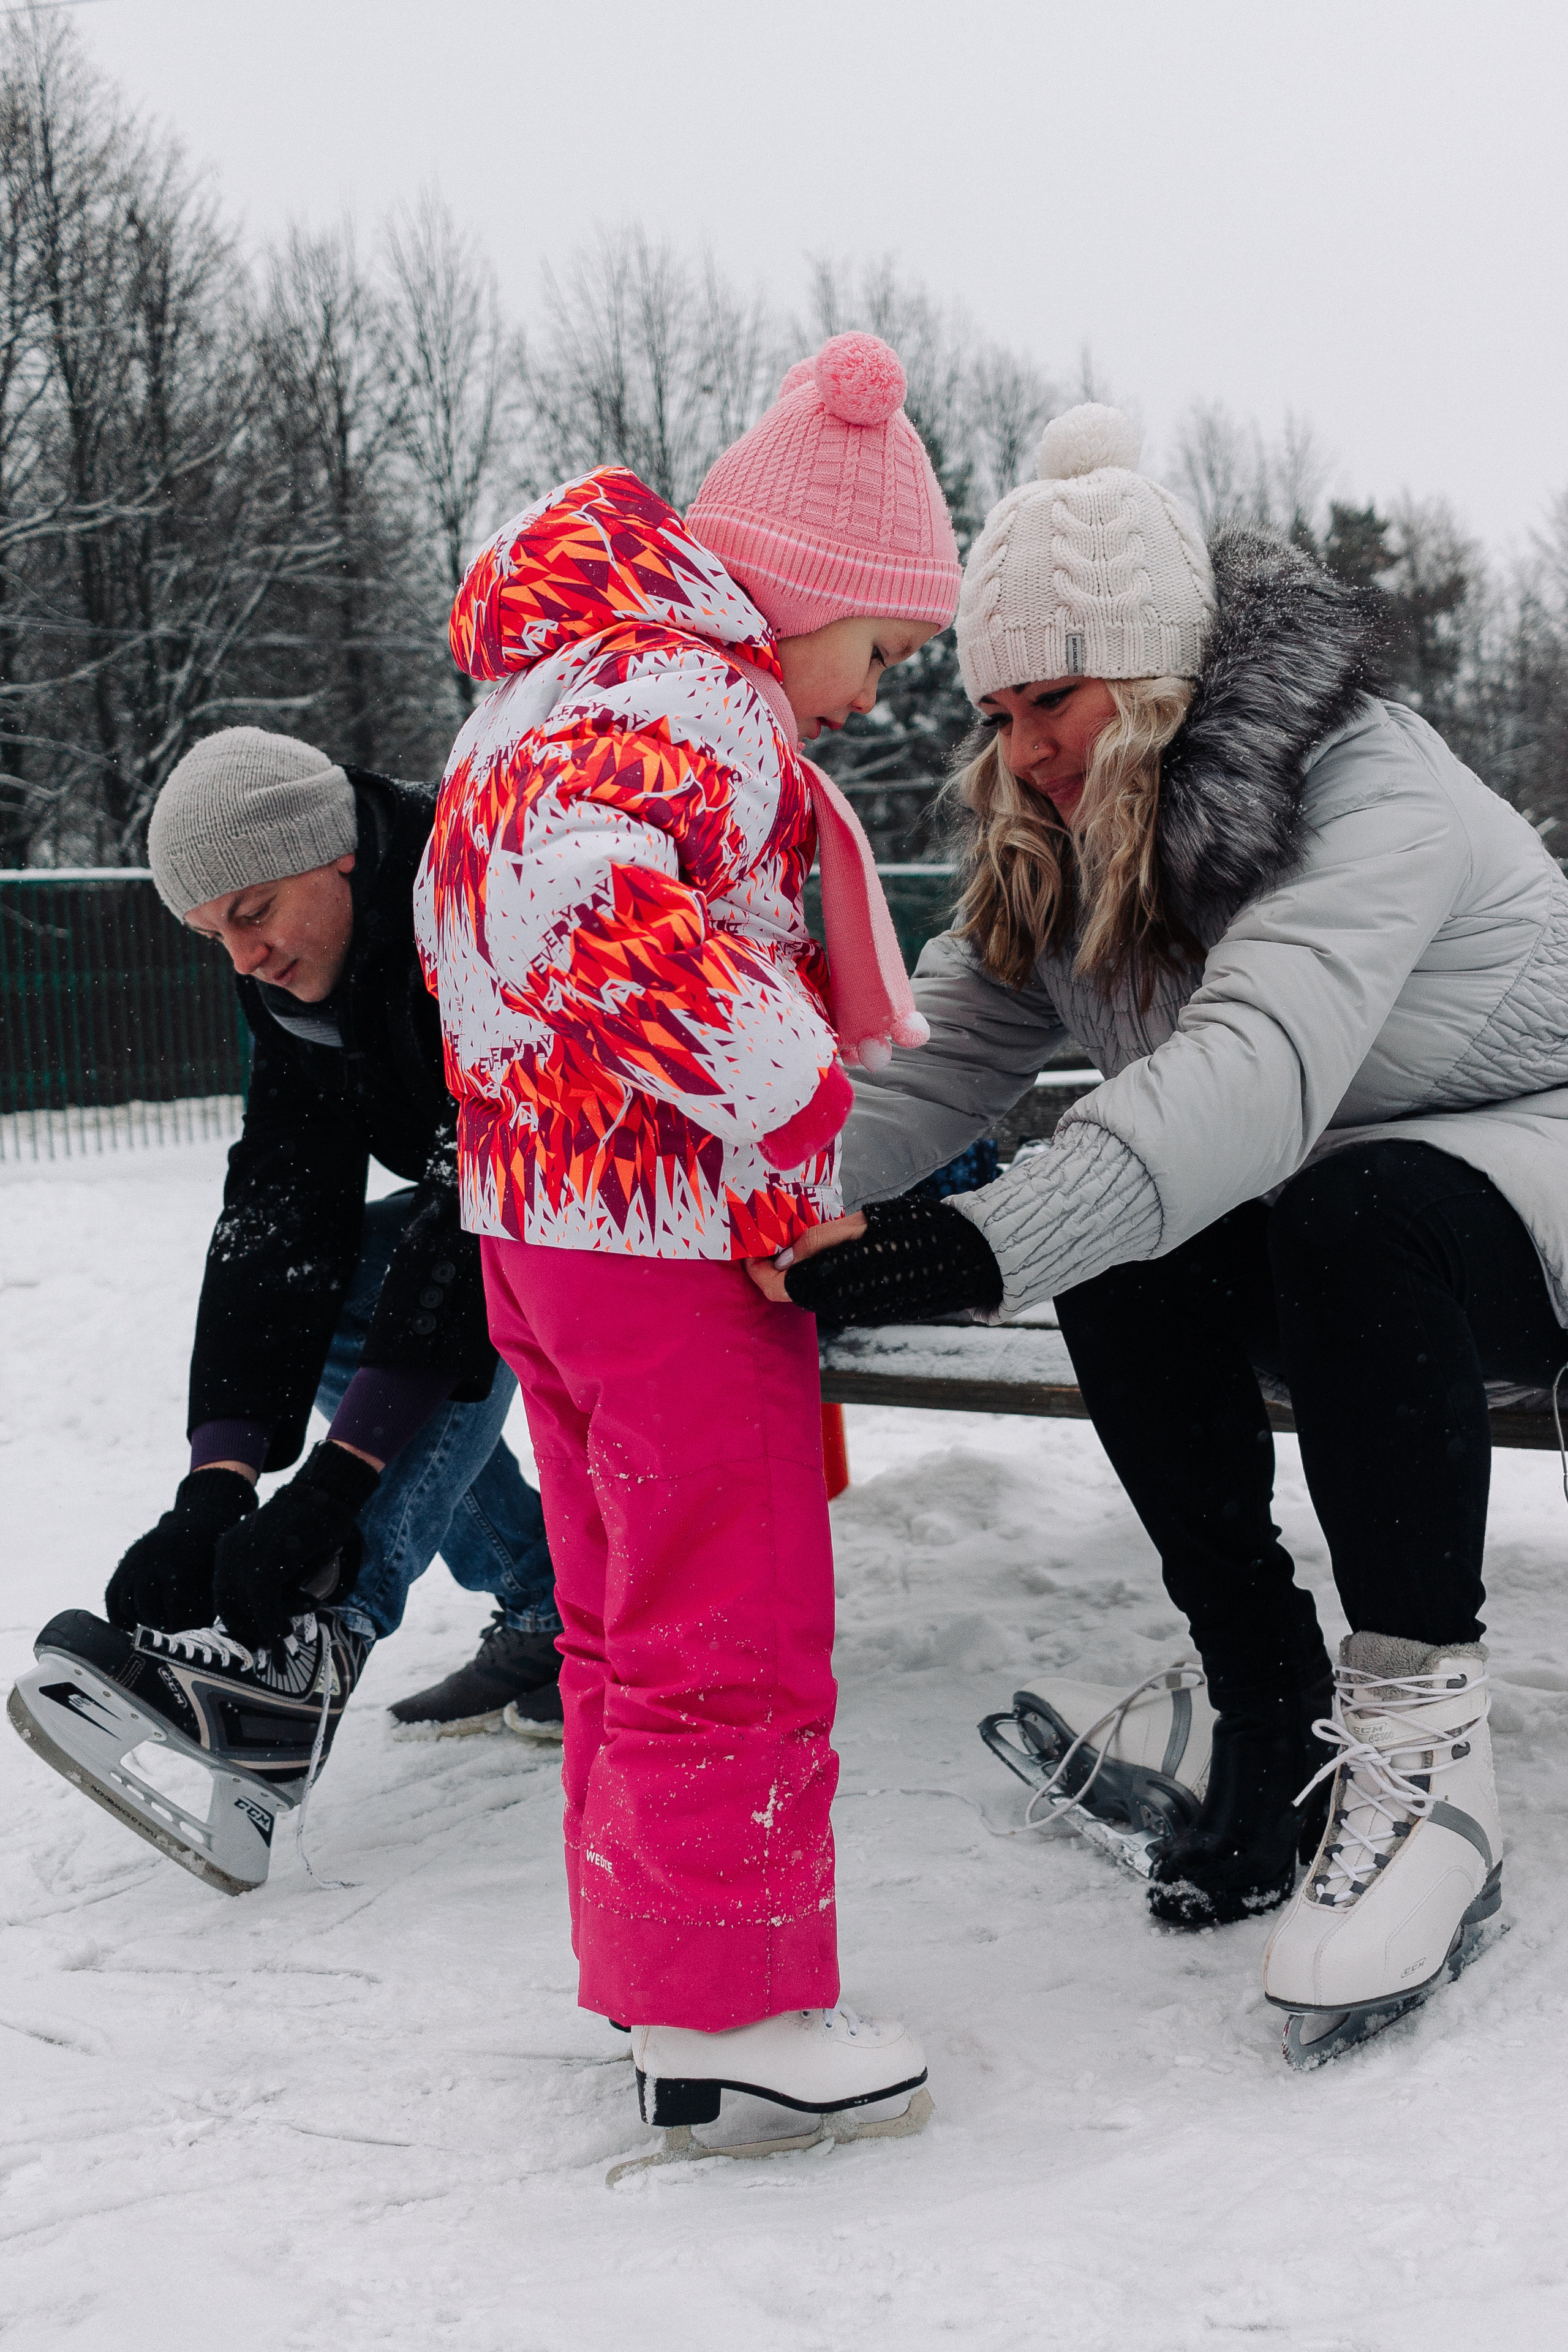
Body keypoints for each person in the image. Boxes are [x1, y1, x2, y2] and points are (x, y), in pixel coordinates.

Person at [757, 404, 1568, 2046]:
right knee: (1130, 1235)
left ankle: (1424, 1752)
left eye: (1047, 700)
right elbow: (922, 1072)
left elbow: (1259, 1067)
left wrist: (982, 1242)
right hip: (1325, 1209)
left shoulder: (1365, 783)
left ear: (1147, 670)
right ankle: (1268, 1700)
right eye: (995, 711)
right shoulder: (1059, 838)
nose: (1023, 748)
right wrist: (741, 1197)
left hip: (1523, 1185)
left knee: (1307, 1204)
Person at [417, 333, 957, 2142]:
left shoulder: (554, 681)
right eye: (880, 653)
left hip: (542, 1232)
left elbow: (470, 903)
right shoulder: (699, 693)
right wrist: (793, 1086)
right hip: (656, 1244)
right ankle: (741, 2006)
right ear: (803, 590)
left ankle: (662, 1984)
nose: (874, 701)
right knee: (727, 1617)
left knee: (620, 1625)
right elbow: (578, 898)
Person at [15, 731, 566, 1889]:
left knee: (487, 1261)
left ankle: (314, 1652)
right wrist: (215, 1485)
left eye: (255, 911)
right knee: (337, 1283)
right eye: (213, 935)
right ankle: (550, 1607)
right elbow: (278, 1210)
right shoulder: (307, 992)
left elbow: (488, 1209)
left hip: (678, 1209)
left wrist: (336, 1486)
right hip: (510, 1206)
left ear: (341, 859)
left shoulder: (482, 903)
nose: (245, 956)